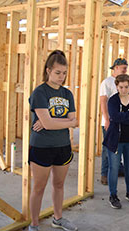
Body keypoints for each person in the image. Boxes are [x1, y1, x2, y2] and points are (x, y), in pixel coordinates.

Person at [28, 50, 78, 231]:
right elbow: (51, 124)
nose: (61, 77)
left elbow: (75, 121)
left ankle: (58, 218)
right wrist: (66, 122)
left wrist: (51, 122)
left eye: (64, 73)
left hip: (63, 146)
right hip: (41, 146)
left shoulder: (67, 94)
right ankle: (34, 225)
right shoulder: (39, 92)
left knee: (59, 184)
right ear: (48, 71)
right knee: (39, 187)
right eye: (58, 73)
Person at [103, 74, 129, 209]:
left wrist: (124, 117)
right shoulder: (112, 101)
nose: (124, 90)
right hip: (115, 140)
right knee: (113, 168)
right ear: (117, 87)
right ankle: (113, 195)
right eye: (121, 87)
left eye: (126, 87)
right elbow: (114, 116)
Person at [100, 58, 128, 185]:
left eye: (126, 68)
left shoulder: (125, 82)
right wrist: (107, 119)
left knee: (120, 146)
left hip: (121, 121)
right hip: (110, 122)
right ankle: (104, 174)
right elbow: (103, 101)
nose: (125, 70)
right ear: (115, 68)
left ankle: (119, 169)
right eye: (123, 68)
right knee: (108, 148)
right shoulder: (107, 82)